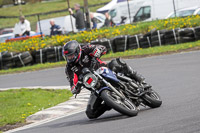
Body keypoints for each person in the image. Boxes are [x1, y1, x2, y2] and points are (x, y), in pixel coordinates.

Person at [63, 40, 150, 119]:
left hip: (104, 70)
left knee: (117, 62)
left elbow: (102, 48)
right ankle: (111, 102)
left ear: (78, 51)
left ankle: (139, 79)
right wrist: (75, 89)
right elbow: (72, 83)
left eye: (71, 55)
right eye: (68, 56)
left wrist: (97, 52)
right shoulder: (69, 69)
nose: (70, 58)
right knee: (90, 113)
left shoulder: (86, 49)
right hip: (95, 87)